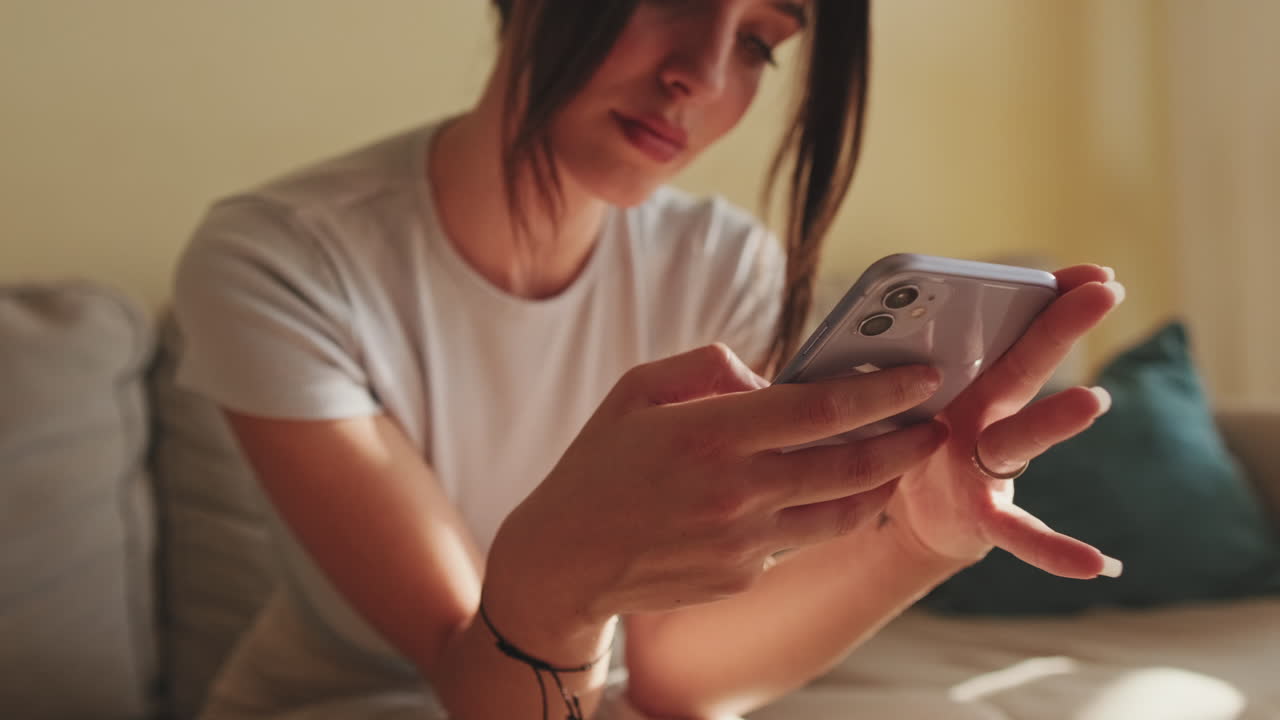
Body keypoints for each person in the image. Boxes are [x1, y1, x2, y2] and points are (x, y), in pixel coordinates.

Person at [173, 1, 1126, 718]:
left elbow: (673, 670)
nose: (703, 74)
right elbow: (473, 674)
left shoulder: (719, 262)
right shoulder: (277, 259)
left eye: (759, 41)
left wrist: (915, 544)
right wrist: (556, 579)